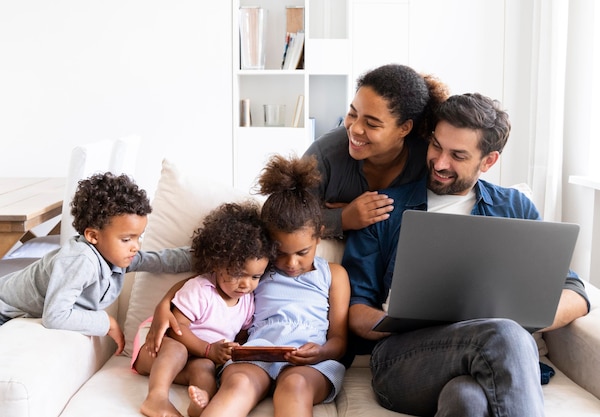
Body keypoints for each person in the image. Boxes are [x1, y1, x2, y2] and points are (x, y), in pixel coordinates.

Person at [342, 93, 590, 417]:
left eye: (458, 155)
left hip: (489, 357)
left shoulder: (514, 208)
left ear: (488, 161)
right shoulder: (384, 208)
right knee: (502, 335)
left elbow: (575, 293)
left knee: (467, 400)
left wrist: (510, 320)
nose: (440, 163)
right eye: (436, 146)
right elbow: (356, 311)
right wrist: (405, 321)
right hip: (405, 360)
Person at [148, 155, 351, 417]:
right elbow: (201, 282)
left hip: (311, 363)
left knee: (295, 385)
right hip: (257, 354)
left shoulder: (334, 274)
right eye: (279, 252)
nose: (290, 262)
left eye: (302, 252)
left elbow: (339, 340)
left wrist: (321, 351)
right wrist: (164, 304)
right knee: (239, 383)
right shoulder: (257, 269)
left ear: (319, 235)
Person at [0, 172, 192, 355]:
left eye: (138, 238)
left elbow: (159, 260)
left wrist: (208, 257)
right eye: (127, 239)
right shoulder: (80, 260)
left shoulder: (115, 255)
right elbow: (55, 316)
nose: (135, 247)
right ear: (93, 236)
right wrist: (107, 322)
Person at [132, 202, 275, 417]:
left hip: (194, 362)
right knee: (178, 350)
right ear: (216, 264)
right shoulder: (200, 289)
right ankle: (156, 399)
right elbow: (176, 328)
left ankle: (200, 405)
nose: (246, 284)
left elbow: (243, 333)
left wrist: (235, 349)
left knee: (205, 369)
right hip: (156, 350)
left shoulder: (247, 301)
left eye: (255, 277)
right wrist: (208, 349)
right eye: (238, 274)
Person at [303, 63, 449, 238]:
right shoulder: (324, 154)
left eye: (371, 124)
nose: (354, 129)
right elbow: (282, 218)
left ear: (404, 128)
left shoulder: (425, 157)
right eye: (352, 114)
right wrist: (342, 218)